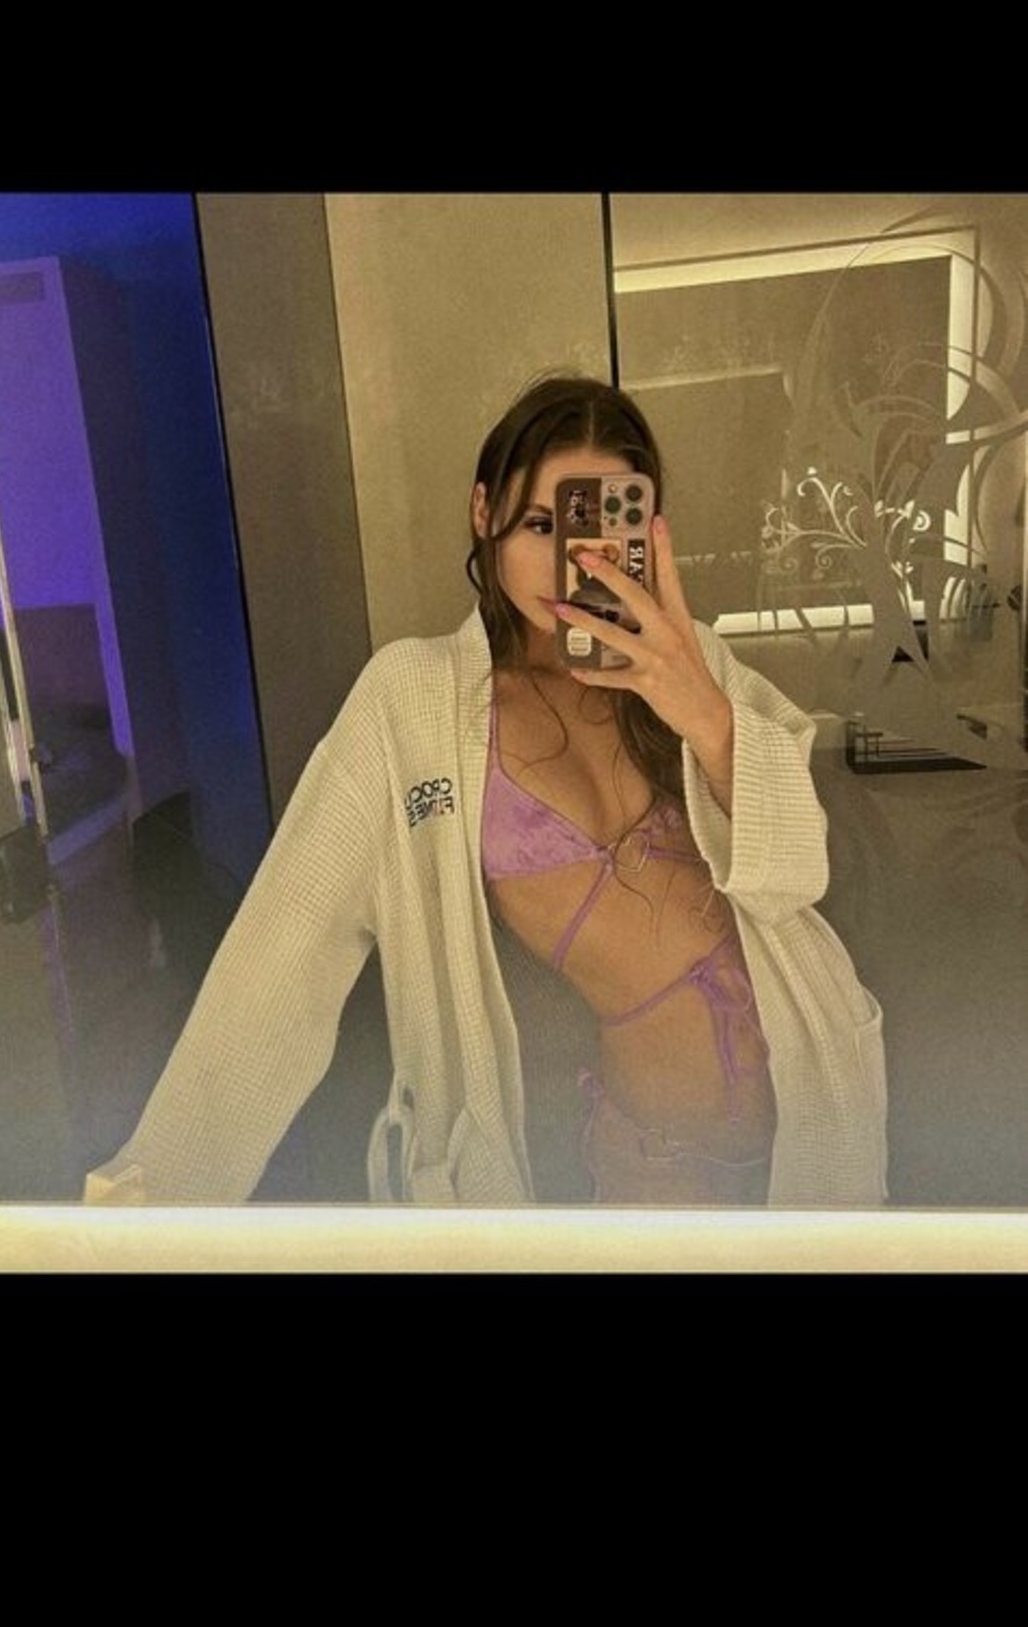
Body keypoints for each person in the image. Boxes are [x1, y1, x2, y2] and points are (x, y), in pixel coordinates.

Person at [83, 372, 888, 1211]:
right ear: (482, 511)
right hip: (657, 1163)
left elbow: (801, 870)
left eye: (595, 526)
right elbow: (284, 956)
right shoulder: (413, 702)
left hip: (816, 1110)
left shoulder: (689, 664)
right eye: (540, 523)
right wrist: (150, 1206)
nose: (571, 560)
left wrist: (707, 715)